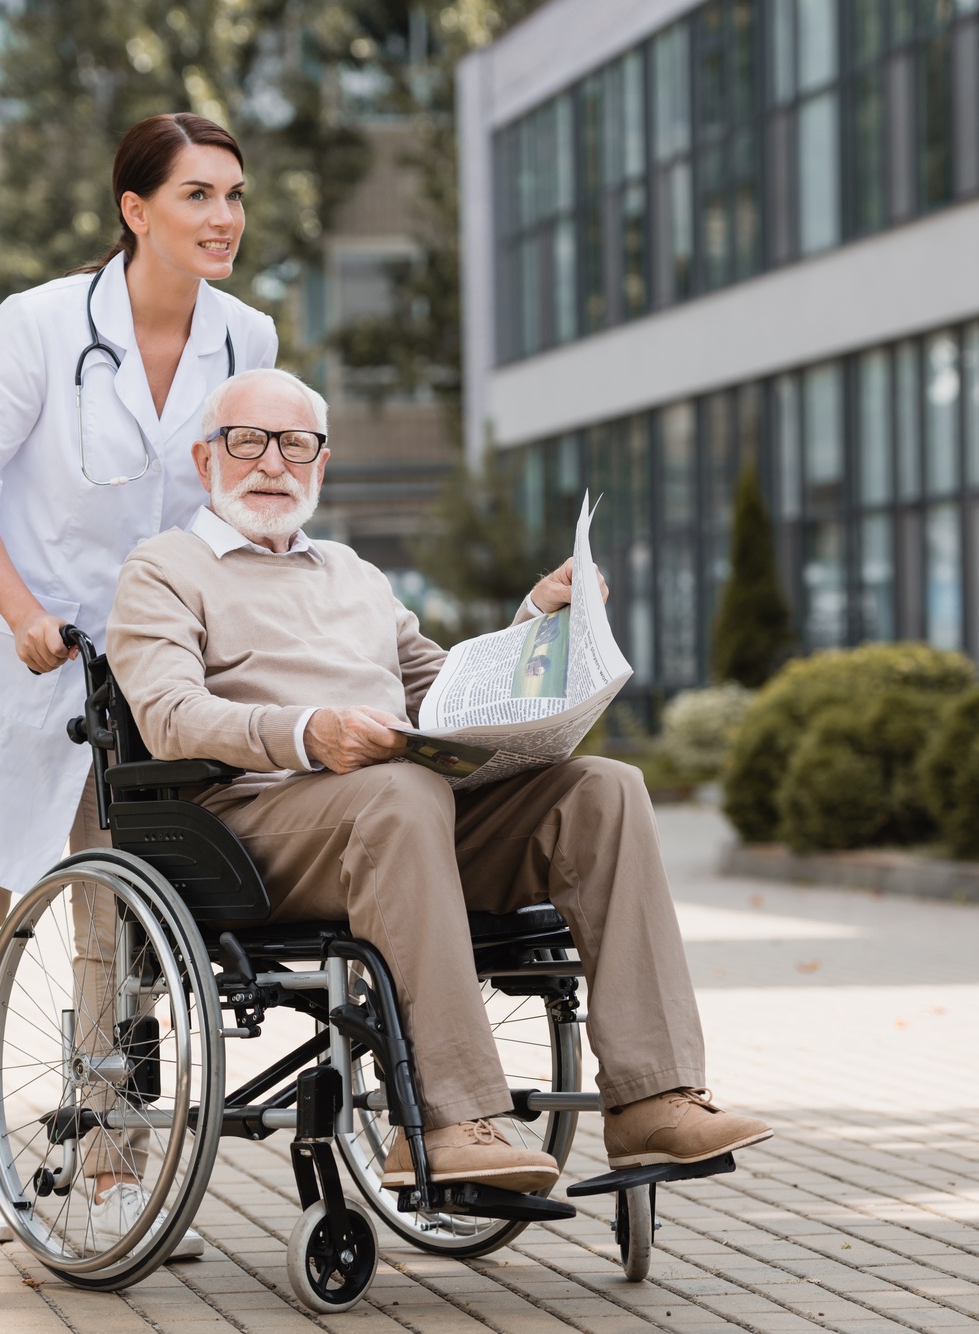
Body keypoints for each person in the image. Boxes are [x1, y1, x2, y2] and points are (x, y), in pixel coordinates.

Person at [106, 369, 773, 1193]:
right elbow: (169, 714)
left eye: (295, 445)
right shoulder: (164, 568)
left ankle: (652, 1100)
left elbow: (442, 693)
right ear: (207, 461)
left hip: (400, 821)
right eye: (248, 442)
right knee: (404, 793)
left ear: (321, 464)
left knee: (603, 789)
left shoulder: (354, 574)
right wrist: (307, 733)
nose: (271, 463)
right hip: (252, 833)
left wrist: (538, 624)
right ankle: (453, 1118)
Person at [0, 112, 278, 1249]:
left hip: (146, 667)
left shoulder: (245, 336)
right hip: (21, 649)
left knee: (118, 911)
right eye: (198, 195)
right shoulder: (43, 324)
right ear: (134, 209)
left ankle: (111, 1159)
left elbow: (237, 495)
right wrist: (21, 614)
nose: (223, 218)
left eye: (235, 196)